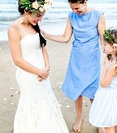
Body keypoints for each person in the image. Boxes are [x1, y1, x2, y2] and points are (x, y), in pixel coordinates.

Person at [42, 0, 106, 132]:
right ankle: (79, 118)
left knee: (93, 92)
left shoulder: (98, 15)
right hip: (76, 58)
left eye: (77, 8)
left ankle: (99, 123)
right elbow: (66, 38)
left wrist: (109, 57)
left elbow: (103, 39)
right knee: (77, 91)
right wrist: (47, 36)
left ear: (85, 2)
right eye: (72, 8)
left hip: (92, 59)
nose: (75, 11)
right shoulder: (71, 16)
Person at [7, 0, 69, 132]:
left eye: (42, 16)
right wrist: (39, 72)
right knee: (32, 102)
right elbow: (17, 60)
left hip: (43, 71)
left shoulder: (35, 25)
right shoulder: (14, 29)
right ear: (26, 11)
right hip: (28, 74)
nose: (40, 20)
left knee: (45, 100)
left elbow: (42, 47)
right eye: (38, 16)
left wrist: (47, 66)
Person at [89, 28, 117, 133]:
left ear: (114, 48)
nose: (103, 46)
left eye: (105, 45)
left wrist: (105, 65)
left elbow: (103, 83)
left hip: (110, 97)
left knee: (108, 124)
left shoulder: (113, 65)